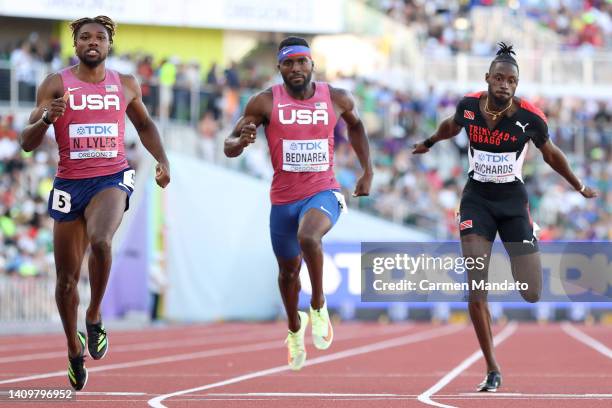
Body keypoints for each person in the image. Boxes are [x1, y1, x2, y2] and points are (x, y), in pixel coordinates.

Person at [413, 42, 597, 392]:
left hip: (513, 203)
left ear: (516, 83)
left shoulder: (530, 117)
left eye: (511, 81)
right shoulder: (468, 106)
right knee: (476, 286)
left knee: (530, 292)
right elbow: (451, 126)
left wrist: (579, 185)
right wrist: (429, 142)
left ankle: (528, 239)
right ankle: (492, 367)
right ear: (487, 79)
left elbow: (551, 154)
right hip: (476, 200)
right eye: (499, 78)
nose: (504, 85)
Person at [19, 16, 170, 391]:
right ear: (75, 45)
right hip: (70, 182)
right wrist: (45, 121)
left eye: (99, 38)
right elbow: (26, 140)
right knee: (66, 281)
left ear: (109, 44)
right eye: (84, 37)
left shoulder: (126, 85)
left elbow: (146, 126)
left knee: (102, 240)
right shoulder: (55, 84)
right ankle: (73, 348)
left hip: (111, 176)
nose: (92, 42)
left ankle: (95, 314)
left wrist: (163, 160)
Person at [224, 36, 372, 371]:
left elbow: (358, 128)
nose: (295, 68)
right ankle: (294, 328)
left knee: (309, 237)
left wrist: (368, 171)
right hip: (283, 200)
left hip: (324, 191)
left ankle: (319, 304)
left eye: (301, 62)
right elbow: (229, 145)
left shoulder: (336, 97)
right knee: (288, 273)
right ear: (279, 68)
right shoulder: (263, 103)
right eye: (288, 63)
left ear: (312, 64)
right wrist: (241, 141)